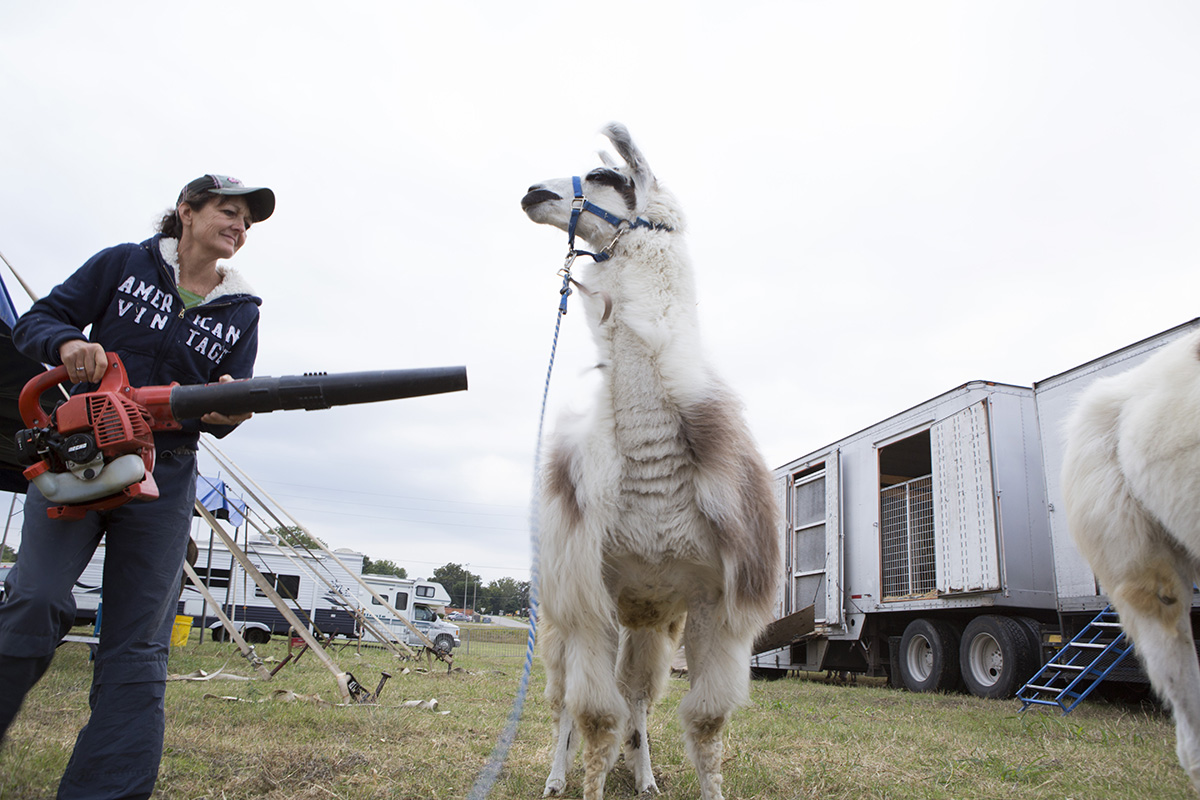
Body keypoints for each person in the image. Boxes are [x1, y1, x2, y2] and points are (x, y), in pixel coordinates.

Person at [0, 174, 274, 799]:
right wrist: (69, 342)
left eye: (247, 222)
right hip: (80, 455)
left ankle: (107, 791)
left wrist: (230, 408)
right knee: (34, 601)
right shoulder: (124, 265)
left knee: (139, 644)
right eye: (229, 212)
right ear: (186, 212)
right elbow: (38, 323)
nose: (240, 227)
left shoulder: (243, 310)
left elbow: (231, 394)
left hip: (167, 472)